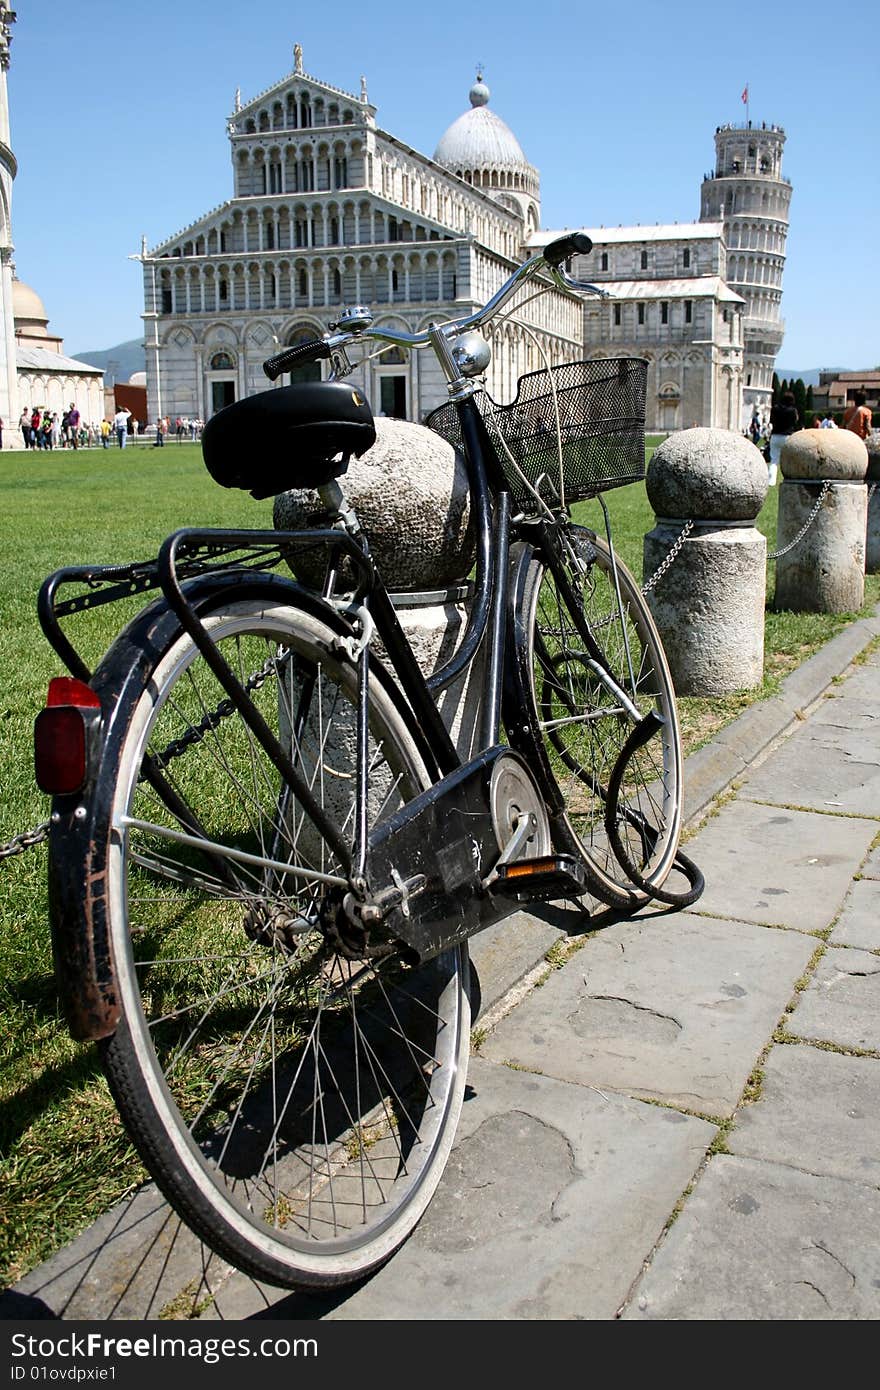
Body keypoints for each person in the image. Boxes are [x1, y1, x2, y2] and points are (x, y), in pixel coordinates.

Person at [768, 390, 799, 485]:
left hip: (775, 436)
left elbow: (771, 421)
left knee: (774, 460)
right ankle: (791, 479)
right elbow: (796, 421)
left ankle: (771, 481)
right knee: (790, 459)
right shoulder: (793, 410)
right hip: (788, 437)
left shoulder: (775, 408)